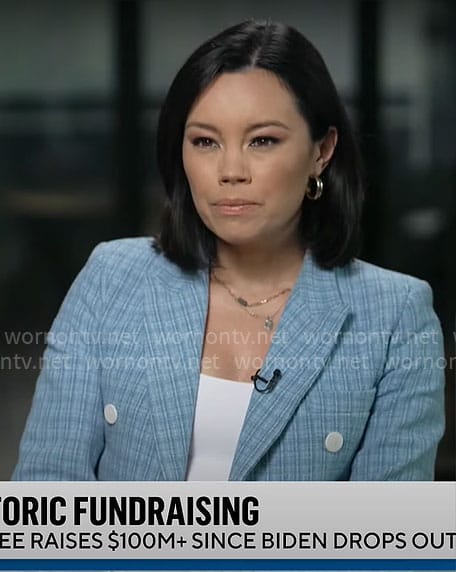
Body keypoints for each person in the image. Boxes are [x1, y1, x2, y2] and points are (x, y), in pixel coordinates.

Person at [13, 19, 445, 481]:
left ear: (322, 151)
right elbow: (46, 501)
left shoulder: (397, 316)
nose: (230, 170)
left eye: (262, 140)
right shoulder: (112, 277)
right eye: (205, 141)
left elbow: (387, 540)